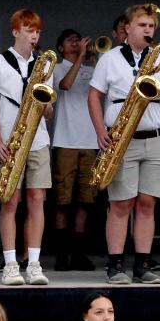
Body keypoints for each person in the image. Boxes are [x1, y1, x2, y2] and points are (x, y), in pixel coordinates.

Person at [88, 3, 160, 284]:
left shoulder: (158, 58)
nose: (147, 30)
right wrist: (100, 129)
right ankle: (115, 265)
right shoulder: (110, 58)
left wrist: (154, 87)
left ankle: (142, 264)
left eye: (151, 26)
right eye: (142, 25)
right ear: (127, 28)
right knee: (120, 204)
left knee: (147, 204)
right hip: (122, 138)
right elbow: (94, 96)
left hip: (155, 138)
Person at [0, 8, 54, 286]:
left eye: (37, 31)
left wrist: (45, 103)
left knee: (37, 200)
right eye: (29, 30)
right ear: (15, 31)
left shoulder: (43, 63)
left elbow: (48, 111)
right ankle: (11, 263)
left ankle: (34, 262)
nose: (34, 35)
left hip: (38, 139)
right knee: (10, 201)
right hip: (10, 140)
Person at [51, 29, 98, 272]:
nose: (76, 41)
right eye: (70, 39)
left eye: (79, 38)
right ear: (61, 47)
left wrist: (94, 60)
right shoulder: (57, 67)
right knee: (62, 199)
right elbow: (66, 86)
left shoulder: (92, 69)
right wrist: (80, 58)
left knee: (85, 200)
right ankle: (62, 253)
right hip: (65, 141)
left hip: (90, 142)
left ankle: (79, 252)